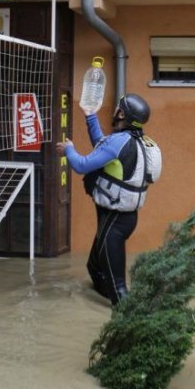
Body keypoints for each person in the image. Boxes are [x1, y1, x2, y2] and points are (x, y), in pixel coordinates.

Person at [55, 93, 153, 306]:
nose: (115, 112)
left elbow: (81, 165)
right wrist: (90, 116)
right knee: (95, 269)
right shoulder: (135, 141)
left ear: (123, 115)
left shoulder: (119, 142)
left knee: (118, 289)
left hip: (114, 224)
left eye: (118, 109)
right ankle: (99, 314)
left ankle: (128, 326)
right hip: (122, 219)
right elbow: (102, 145)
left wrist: (68, 150)